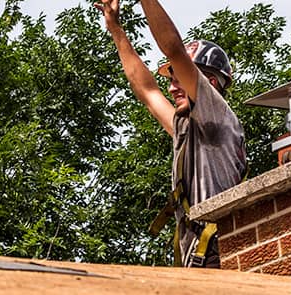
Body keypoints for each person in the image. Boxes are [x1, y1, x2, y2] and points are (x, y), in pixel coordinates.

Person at [96, 0, 247, 267]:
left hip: (218, 252)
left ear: (209, 83)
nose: (172, 87)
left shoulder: (217, 114)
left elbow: (174, 49)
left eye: (178, 78)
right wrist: (115, 29)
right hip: (196, 256)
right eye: (171, 80)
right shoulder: (187, 126)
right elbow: (147, 91)